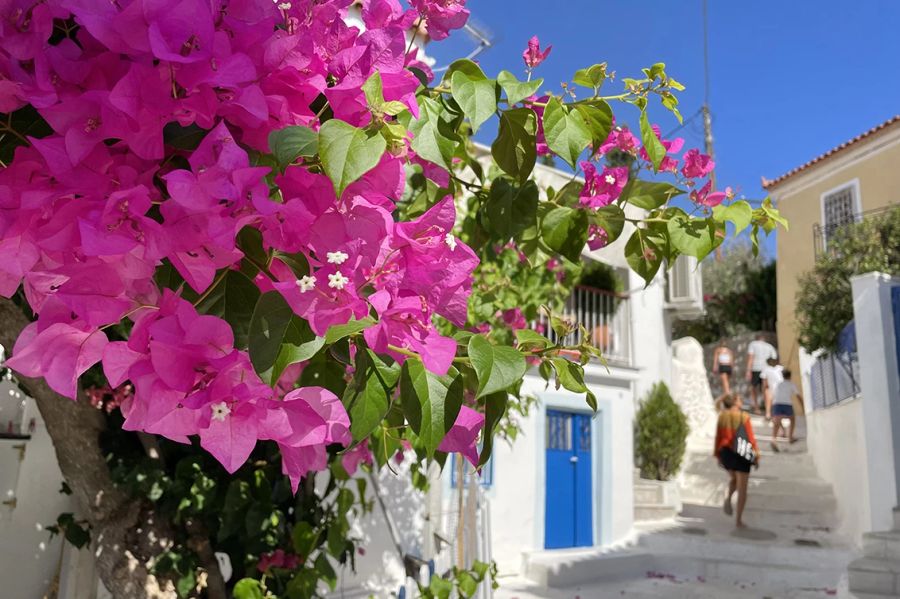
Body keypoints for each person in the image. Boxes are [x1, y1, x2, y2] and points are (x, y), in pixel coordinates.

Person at [714, 393, 759, 529]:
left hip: (726, 454)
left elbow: (718, 437)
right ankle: (738, 520)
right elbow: (750, 438)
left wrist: (717, 455)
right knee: (742, 489)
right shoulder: (743, 417)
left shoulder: (722, 416)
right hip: (741, 454)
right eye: (739, 399)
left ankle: (728, 498)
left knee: (734, 479)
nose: (741, 401)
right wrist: (756, 455)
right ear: (734, 402)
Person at [745, 334, 777, 414]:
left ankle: (756, 408)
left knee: (754, 388)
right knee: (766, 389)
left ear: (757, 339)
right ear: (764, 339)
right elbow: (774, 359)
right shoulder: (769, 346)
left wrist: (748, 370)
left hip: (756, 368)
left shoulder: (753, 344)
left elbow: (751, 357)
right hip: (766, 369)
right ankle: (768, 410)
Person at [771, 369, 801, 451]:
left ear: (783, 376)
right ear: (790, 376)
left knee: (777, 422)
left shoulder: (778, 384)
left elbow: (773, 396)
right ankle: (790, 437)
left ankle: (774, 440)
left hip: (777, 403)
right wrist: (802, 406)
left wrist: (771, 407)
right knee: (792, 419)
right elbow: (798, 396)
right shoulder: (791, 384)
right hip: (787, 404)